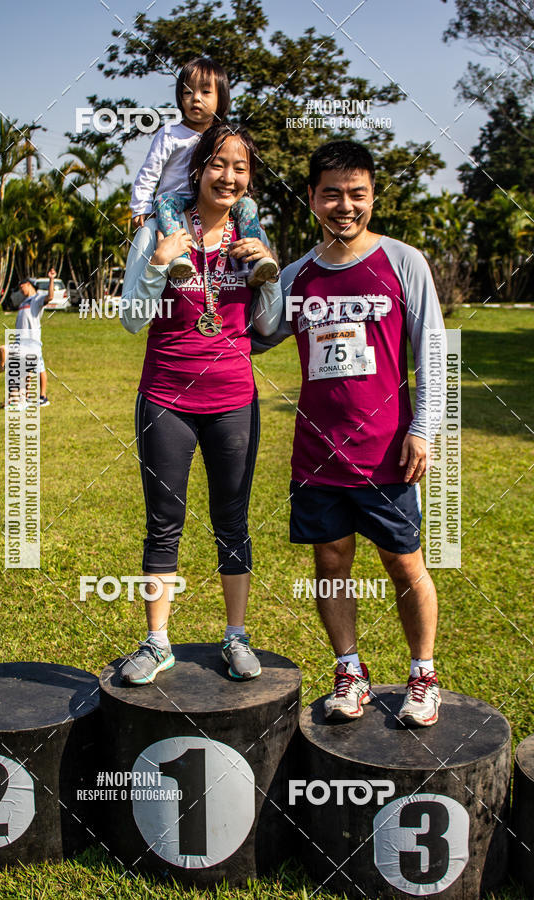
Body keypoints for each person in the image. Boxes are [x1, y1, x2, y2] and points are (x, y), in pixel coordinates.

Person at [253, 140, 446, 727]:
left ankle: (423, 675)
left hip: (388, 450)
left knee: (403, 562)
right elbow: (258, 334)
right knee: (331, 560)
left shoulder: (403, 262)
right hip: (317, 453)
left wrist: (425, 428)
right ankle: (350, 671)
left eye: (356, 193)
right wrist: (252, 269)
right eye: (331, 193)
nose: (345, 205)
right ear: (312, 198)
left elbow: (433, 349)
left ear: (372, 196)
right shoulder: (297, 274)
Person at [120, 122, 281, 685]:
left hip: (234, 399)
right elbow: (132, 317)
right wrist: (161, 261)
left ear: (248, 179)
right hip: (166, 398)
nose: (228, 176)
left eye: (240, 168)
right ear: (198, 170)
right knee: (163, 523)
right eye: (218, 164)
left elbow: (269, 324)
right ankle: (157, 641)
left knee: (231, 522)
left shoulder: (251, 239)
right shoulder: (160, 233)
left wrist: (268, 273)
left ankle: (235, 636)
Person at [130, 56, 278, 287]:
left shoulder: (222, 137)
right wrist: (141, 206)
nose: (195, 99)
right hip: (177, 200)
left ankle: (254, 262)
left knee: (249, 205)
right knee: (165, 203)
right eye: (187, 92)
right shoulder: (170, 134)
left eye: (205, 92)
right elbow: (149, 172)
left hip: (213, 202)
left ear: (221, 99)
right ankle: (180, 259)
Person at [14, 270, 55, 406]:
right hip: (21, 342)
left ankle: (43, 397)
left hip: (33, 342)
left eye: (23, 286)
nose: (21, 289)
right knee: (25, 370)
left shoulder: (37, 299)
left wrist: (51, 279)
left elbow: (50, 296)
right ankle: (25, 396)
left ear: (30, 285)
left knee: (39, 368)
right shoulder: (22, 304)